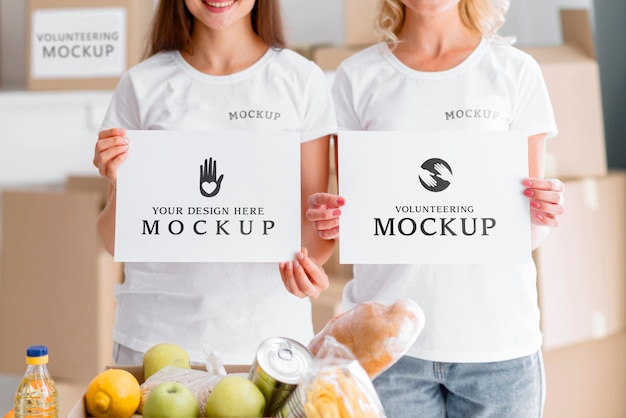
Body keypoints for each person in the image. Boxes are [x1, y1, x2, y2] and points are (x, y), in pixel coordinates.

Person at [293, 0, 566, 416]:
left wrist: (544, 210)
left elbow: (526, 230)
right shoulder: (357, 77)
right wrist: (332, 218)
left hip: (497, 345)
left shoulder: (515, 71)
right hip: (387, 350)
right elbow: (360, 215)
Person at [92, 0, 337, 366]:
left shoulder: (301, 80)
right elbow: (114, 242)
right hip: (153, 340)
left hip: (269, 343)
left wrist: (308, 270)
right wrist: (120, 181)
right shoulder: (141, 84)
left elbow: (311, 234)